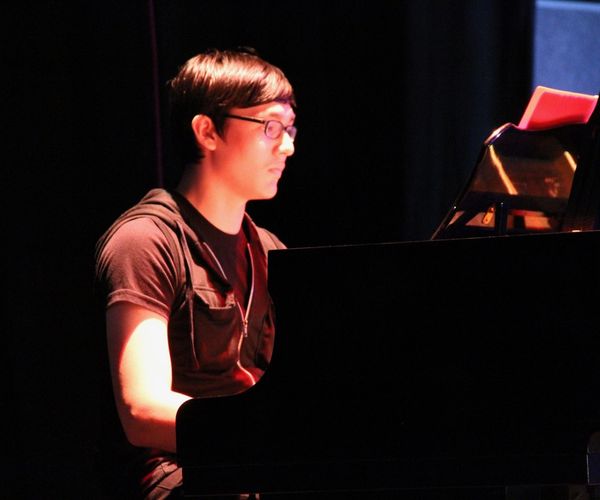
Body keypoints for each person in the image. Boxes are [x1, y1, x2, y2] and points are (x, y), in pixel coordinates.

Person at [94, 48, 296, 499]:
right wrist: (268, 439)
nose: (287, 146)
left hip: (251, 467)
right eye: (271, 127)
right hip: (174, 476)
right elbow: (142, 409)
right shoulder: (146, 241)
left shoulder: (270, 251)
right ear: (207, 131)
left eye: (290, 129)